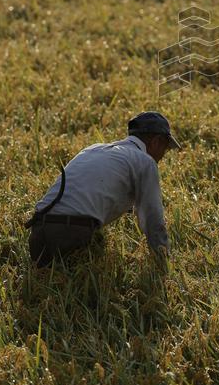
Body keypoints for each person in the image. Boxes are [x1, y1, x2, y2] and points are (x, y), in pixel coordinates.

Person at [26, 112, 180, 269]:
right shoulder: (144, 161)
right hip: (72, 232)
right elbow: (152, 217)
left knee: (48, 280)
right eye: (165, 149)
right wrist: (163, 262)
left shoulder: (93, 149)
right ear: (156, 142)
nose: (162, 156)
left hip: (38, 231)